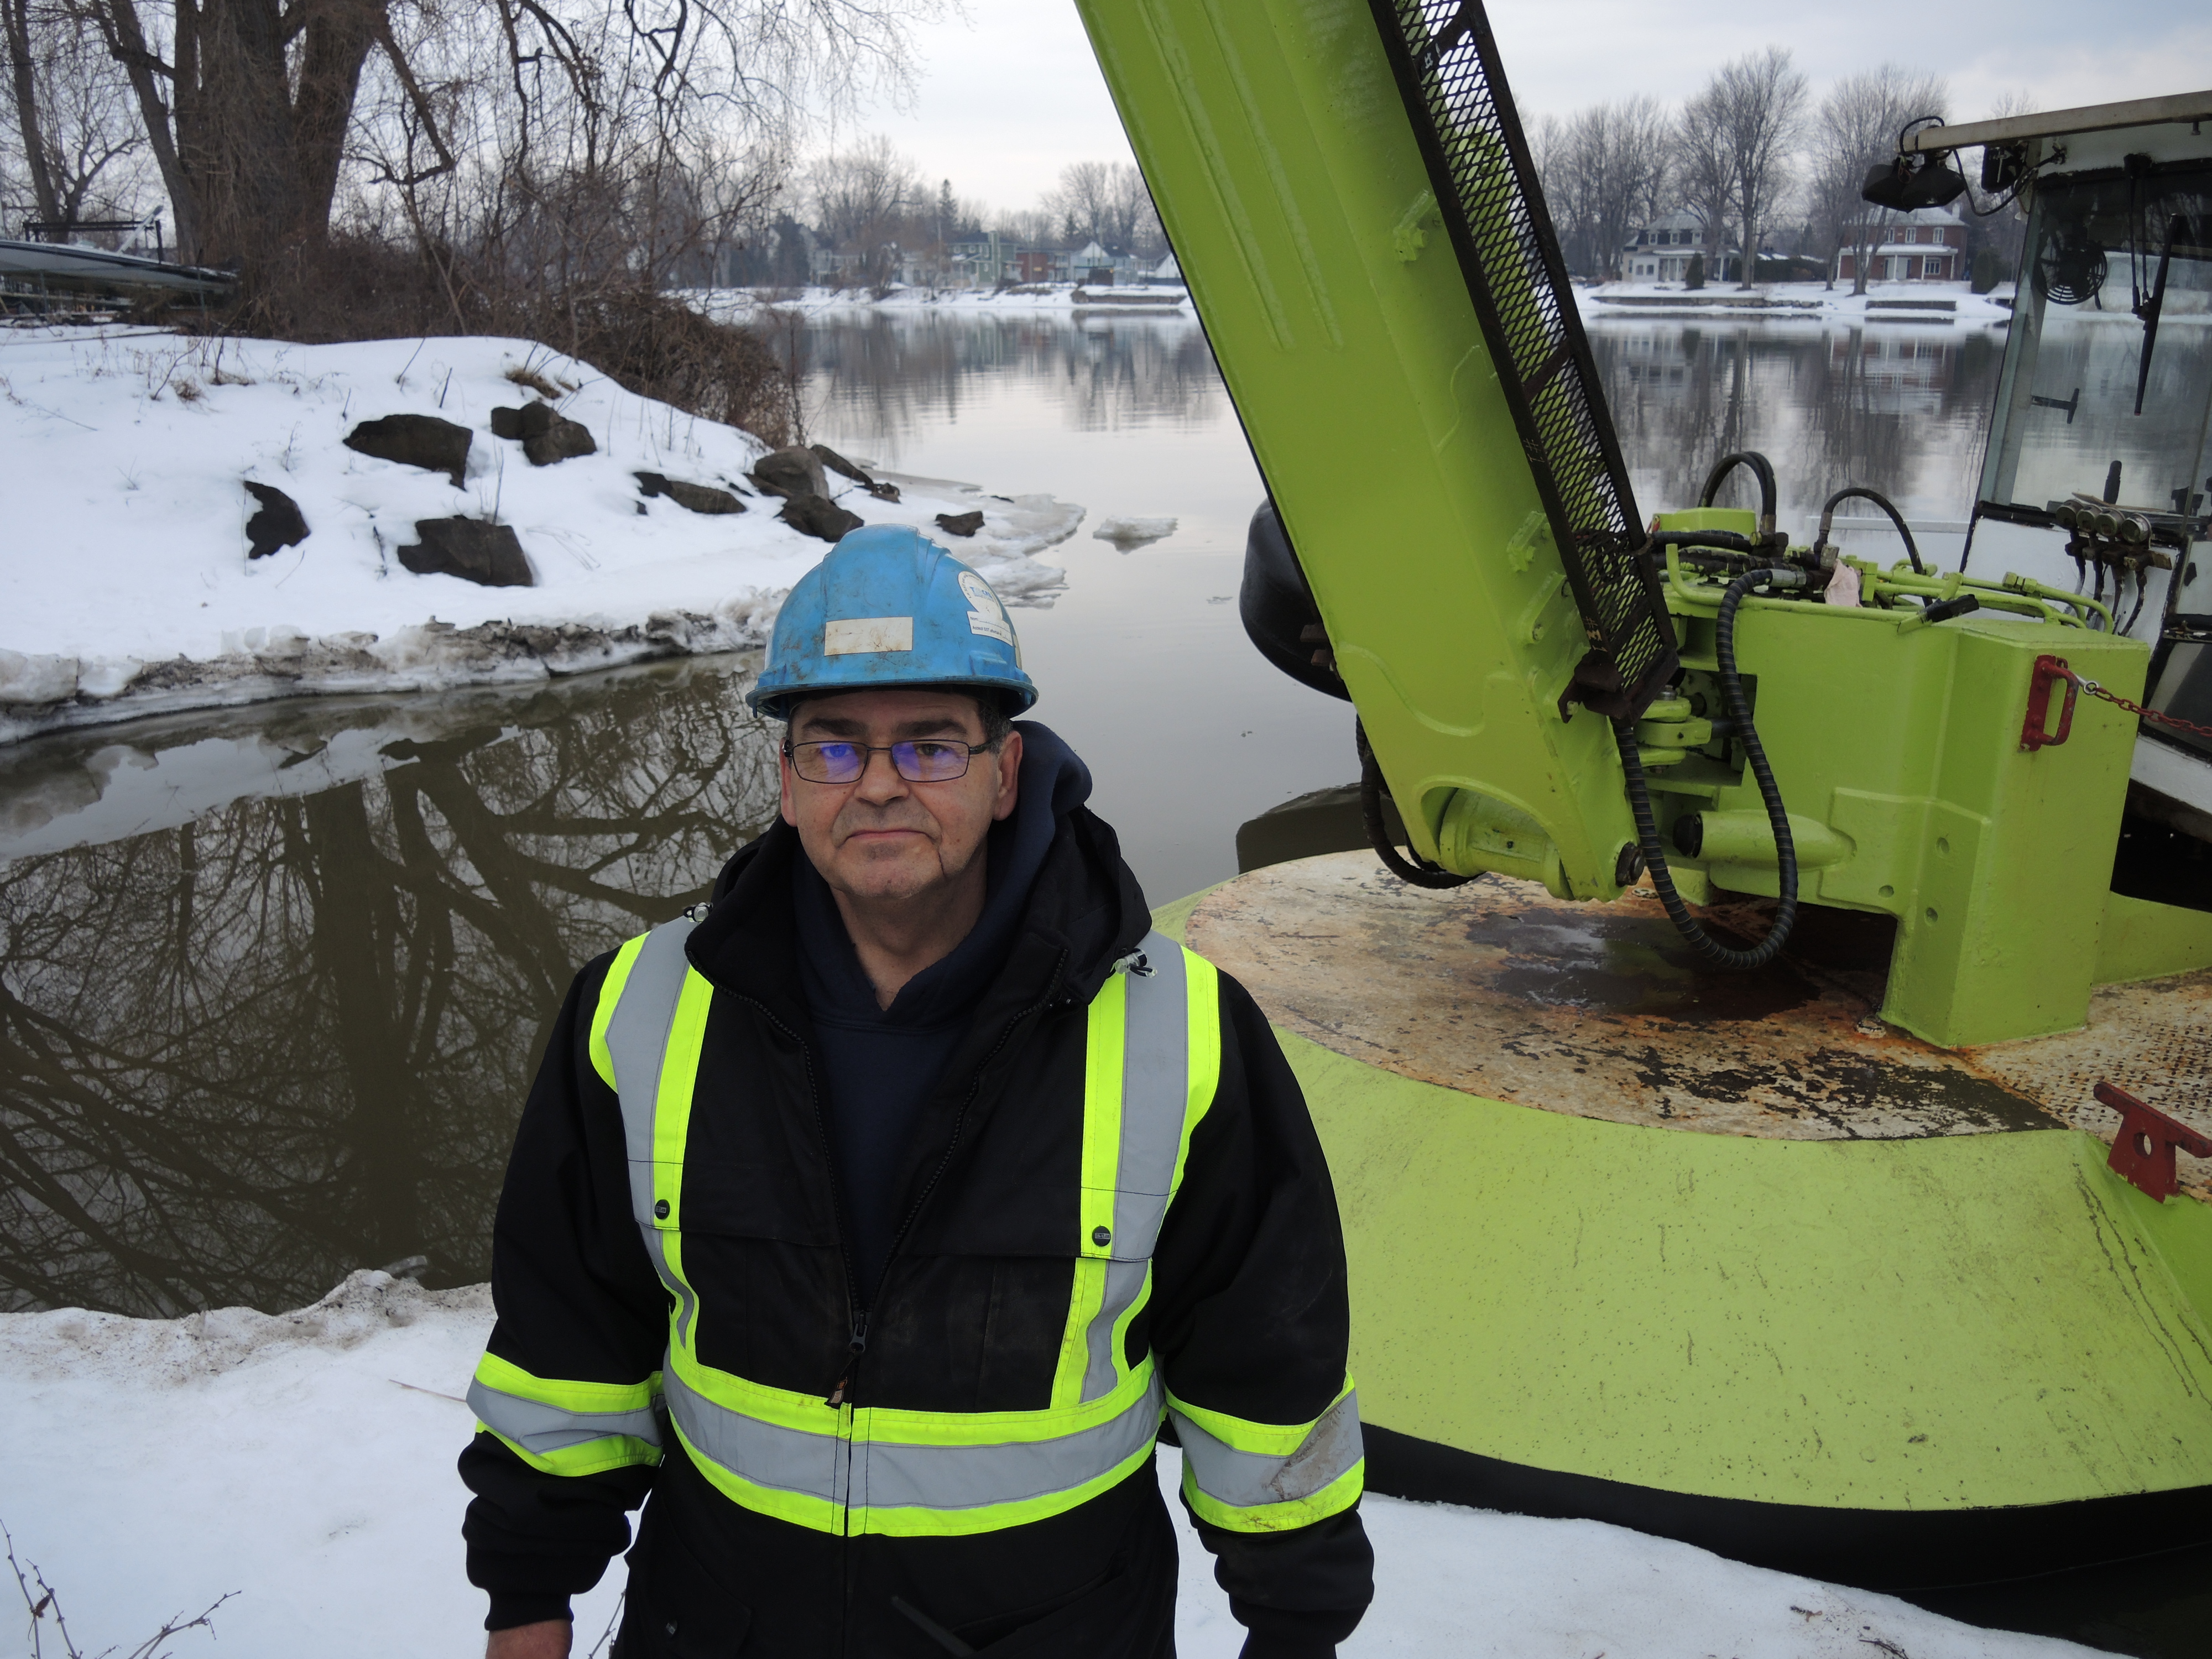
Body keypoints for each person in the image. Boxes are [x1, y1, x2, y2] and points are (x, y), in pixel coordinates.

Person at [460, 525, 1374, 1657]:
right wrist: (528, 1597)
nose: (880, 784)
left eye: (931, 746)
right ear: (786, 782)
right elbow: (568, 1339)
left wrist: (1294, 1627)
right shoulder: (635, 1009)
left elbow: (1266, 1367)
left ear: (1005, 773)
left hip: (1057, 1635)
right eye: (834, 746)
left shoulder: (1180, 1030)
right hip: (718, 1626)